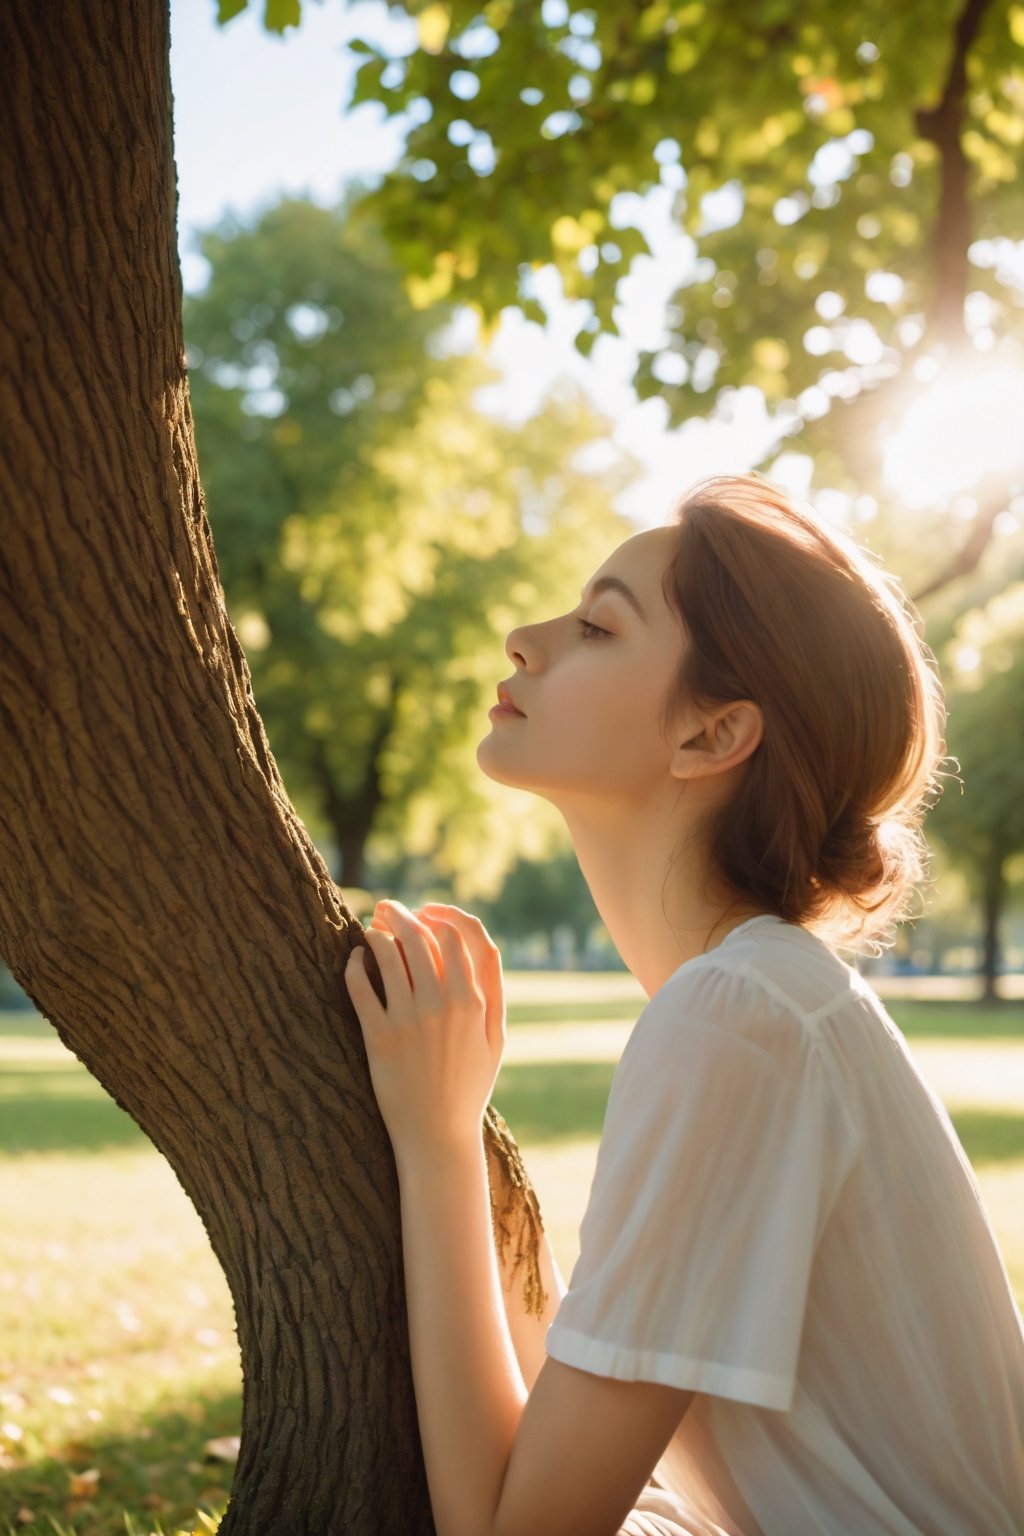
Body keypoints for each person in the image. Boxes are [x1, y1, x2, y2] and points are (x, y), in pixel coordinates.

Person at [345, 473, 1024, 1536]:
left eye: (597, 628)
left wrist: (434, 1147)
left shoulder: (738, 1018)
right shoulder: (759, 997)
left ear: (711, 738)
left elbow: (512, 1532)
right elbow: (581, 1408)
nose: (524, 639)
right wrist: (465, 1128)